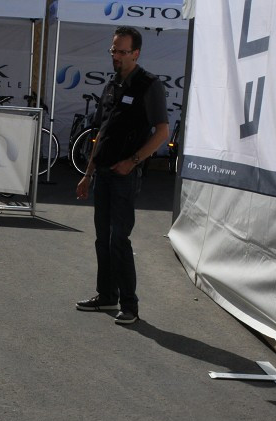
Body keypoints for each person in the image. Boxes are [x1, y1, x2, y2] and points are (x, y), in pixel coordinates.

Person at [74, 26, 168, 325]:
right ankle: (106, 296)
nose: (115, 56)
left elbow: (162, 133)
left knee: (119, 239)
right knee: (103, 238)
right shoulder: (112, 85)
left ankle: (130, 305)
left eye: (121, 51)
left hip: (126, 175)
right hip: (102, 172)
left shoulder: (149, 85)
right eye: (113, 50)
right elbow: (102, 132)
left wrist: (133, 161)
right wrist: (87, 173)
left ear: (136, 53)